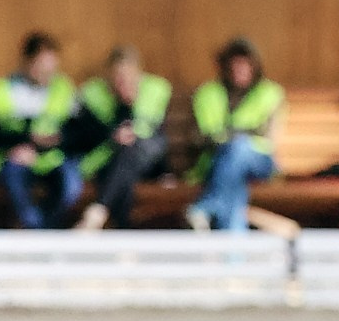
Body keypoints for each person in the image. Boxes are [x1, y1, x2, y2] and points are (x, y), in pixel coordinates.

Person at [65, 45, 172, 231]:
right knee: (124, 169)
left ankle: (98, 211)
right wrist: (114, 130)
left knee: (130, 151)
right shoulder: (92, 93)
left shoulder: (155, 90)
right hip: (104, 161)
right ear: (109, 75)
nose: (123, 81)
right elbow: (87, 135)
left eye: (129, 75)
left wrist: (129, 105)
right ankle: (122, 233)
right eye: (118, 76)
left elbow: (153, 132)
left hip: (145, 160)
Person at [0, 31, 79, 227]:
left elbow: (78, 133)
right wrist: (20, 143)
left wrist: (56, 141)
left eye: (52, 68)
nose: (48, 74)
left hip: (53, 158)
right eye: (42, 67)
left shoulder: (62, 88)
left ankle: (44, 233)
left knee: (71, 186)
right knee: (19, 192)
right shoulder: (1, 90)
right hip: (13, 158)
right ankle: (36, 233)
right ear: (27, 61)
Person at [187, 38, 285, 232]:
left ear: (254, 67)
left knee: (238, 148)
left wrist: (231, 135)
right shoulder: (208, 93)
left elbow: (267, 138)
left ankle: (206, 205)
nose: (239, 71)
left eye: (245, 65)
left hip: (259, 160)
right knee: (235, 189)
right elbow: (199, 137)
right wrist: (238, 133)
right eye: (235, 65)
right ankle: (234, 258)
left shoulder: (269, 93)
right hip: (217, 162)